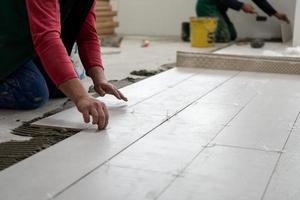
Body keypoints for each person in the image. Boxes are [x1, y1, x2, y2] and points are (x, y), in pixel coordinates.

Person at [0, 0, 127, 130]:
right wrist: (81, 97)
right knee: (32, 91)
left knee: (61, 87)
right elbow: (47, 38)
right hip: (6, 41)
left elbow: (87, 35)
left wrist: (100, 79)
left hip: (23, 42)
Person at [196, 0, 290, 42]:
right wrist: (242, 5)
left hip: (219, 10)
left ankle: (202, 29)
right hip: (207, 7)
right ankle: (196, 31)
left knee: (232, 35)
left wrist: (276, 14)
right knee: (223, 37)